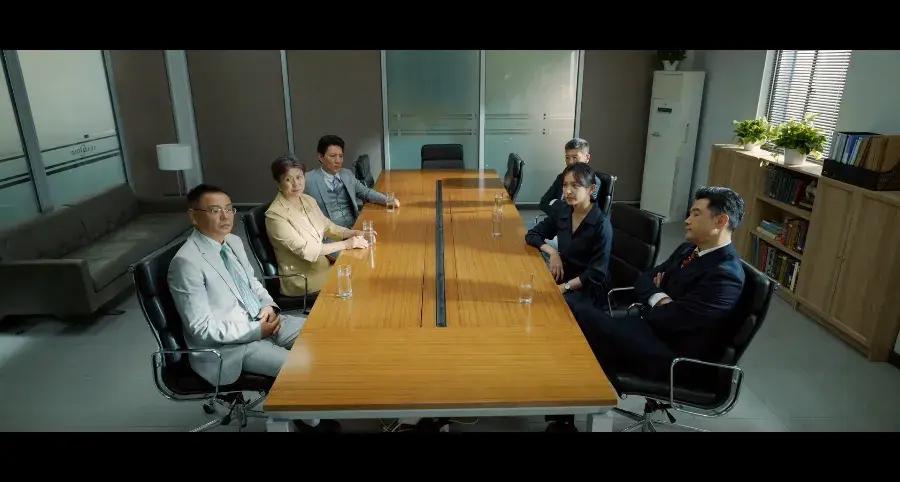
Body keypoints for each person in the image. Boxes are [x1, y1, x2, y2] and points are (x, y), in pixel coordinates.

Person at [549, 187, 746, 433]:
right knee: (576, 321)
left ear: (720, 221)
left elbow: (674, 321)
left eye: (696, 214)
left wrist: (656, 300)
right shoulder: (689, 250)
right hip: (649, 329)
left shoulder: (725, 275)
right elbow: (644, 279)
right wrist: (662, 299)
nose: (687, 220)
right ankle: (564, 414)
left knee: (576, 313)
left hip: (675, 358)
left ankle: (563, 417)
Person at [168, 184, 338, 432]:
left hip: (262, 320)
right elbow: (201, 328)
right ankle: (311, 423)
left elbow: (254, 284)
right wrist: (256, 330)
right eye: (215, 210)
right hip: (229, 348)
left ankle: (315, 405)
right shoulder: (186, 263)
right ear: (194, 216)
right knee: (300, 366)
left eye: (229, 209)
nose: (225, 216)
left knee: (326, 336)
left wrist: (269, 306)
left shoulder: (233, 242)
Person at [265, 155, 370, 298]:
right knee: (359, 279)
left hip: (322, 266)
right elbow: (307, 251)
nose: (296, 184)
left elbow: (328, 227)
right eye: (288, 179)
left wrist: (353, 233)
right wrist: (346, 244)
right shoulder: (275, 215)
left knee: (363, 267)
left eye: (299, 177)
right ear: (278, 183)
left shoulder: (307, 200)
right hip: (303, 279)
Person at [526, 162, 612, 311]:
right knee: (529, 286)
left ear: (591, 189)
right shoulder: (564, 210)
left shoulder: (601, 224)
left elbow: (596, 273)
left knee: (547, 304)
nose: (568, 191)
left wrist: (564, 287)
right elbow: (533, 234)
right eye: (565, 185)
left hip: (588, 287)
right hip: (565, 274)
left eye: (575, 186)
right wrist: (553, 253)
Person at [304, 134, 399, 229]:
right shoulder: (307, 179)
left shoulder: (347, 174)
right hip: (329, 232)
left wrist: (387, 200)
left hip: (354, 226)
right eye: (333, 156)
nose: (338, 161)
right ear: (321, 157)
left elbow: (366, 192)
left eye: (341, 156)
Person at [538, 138, 592, 216]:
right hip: (556, 220)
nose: (570, 162)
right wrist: (561, 213)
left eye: (575, 157)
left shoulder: (592, 181)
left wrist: (555, 203)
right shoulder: (561, 177)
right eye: (567, 157)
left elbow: (585, 211)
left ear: (587, 158)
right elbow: (543, 202)